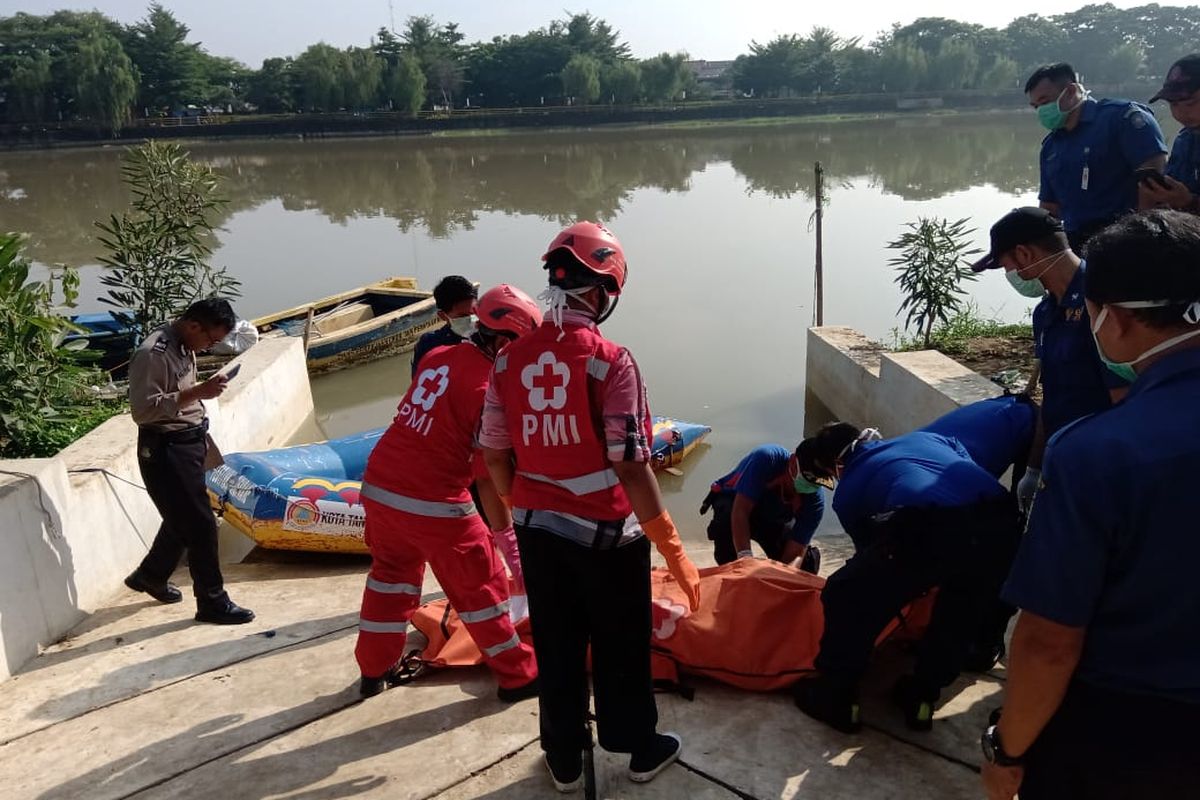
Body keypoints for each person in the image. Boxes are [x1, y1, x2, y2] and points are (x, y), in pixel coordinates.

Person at [981, 210, 1200, 800]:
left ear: (1119, 320)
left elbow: (1049, 642)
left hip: (1129, 732)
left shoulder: (1100, 456)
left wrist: (1007, 751)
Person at [481, 221, 702, 791]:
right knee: (620, 644)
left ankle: (563, 754)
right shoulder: (611, 360)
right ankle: (636, 747)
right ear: (604, 291)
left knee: (556, 644)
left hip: (537, 533)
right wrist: (670, 544)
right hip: (607, 538)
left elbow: (493, 452)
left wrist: (519, 505)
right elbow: (630, 463)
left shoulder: (506, 362)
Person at [354, 285, 542, 701]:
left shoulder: (438, 356)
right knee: (482, 586)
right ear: (503, 341)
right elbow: (487, 477)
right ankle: (518, 676)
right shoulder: (489, 389)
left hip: (381, 485)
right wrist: (510, 545)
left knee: (390, 579)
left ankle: (373, 669)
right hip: (432, 499)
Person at [792, 423, 1022, 734]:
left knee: (846, 592)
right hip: (1003, 524)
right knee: (960, 613)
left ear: (834, 464)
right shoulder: (922, 438)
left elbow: (872, 557)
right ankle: (922, 697)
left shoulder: (849, 490)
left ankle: (837, 696)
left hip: (936, 523)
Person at [972, 207, 1128, 510]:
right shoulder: (1045, 313)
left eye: (1006, 266)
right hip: (1060, 456)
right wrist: (1033, 467)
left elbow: (1124, 398)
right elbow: (1053, 395)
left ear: (1024, 254)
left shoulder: (1104, 301)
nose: (1009, 275)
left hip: (1100, 464)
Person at [124, 298, 255, 625]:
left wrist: (202, 393)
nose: (211, 346)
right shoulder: (153, 353)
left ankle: (150, 575)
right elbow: (143, 410)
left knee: (183, 516)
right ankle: (212, 601)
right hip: (166, 448)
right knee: (200, 525)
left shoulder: (184, 344)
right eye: (211, 339)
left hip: (191, 440)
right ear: (194, 325)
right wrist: (198, 393)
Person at [1025, 62, 1167, 250]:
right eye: (1036, 107)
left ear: (1071, 91)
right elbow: (1050, 208)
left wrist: (1141, 239)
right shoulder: (1051, 147)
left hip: (1128, 240)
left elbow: (1153, 177)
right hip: (1077, 245)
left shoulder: (1121, 119)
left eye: (1045, 102)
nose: (1042, 111)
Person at [699, 444, 824, 573]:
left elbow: (796, 552)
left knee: (805, 565)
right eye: (808, 476)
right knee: (726, 529)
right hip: (737, 506)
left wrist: (784, 574)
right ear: (792, 462)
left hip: (773, 519)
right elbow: (741, 511)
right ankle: (733, 572)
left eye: (816, 481)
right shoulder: (766, 459)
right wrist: (745, 558)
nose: (811, 484)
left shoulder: (815, 501)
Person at [1141, 54, 1200, 214]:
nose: (1182, 113)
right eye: (1174, 104)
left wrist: (1189, 202)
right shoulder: (1184, 140)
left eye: (1190, 103)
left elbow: (1186, 201)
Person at [411, 275, 478, 376]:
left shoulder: (490, 338)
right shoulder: (429, 344)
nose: (471, 319)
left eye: (474, 312)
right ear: (443, 316)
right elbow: (419, 384)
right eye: (463, 316)